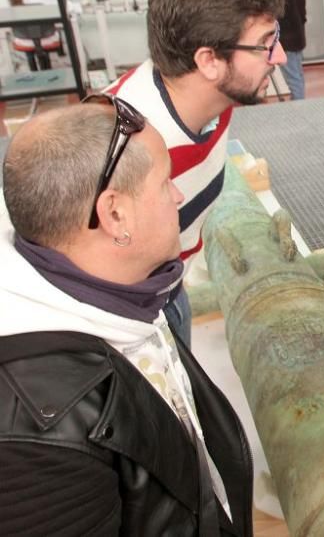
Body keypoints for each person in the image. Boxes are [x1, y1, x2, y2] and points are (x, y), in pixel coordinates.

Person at [0, 101, 253, 535]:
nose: (177, 196)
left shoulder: (121, 291)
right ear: (114, 214)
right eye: (165, 182)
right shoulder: (37, 438)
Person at [104, 0, 285, 347]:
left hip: (169, 289)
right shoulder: (124, 153)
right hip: (128, 324)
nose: (280, 58)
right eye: (265, 46)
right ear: (209, 61)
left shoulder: (212, 103)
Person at [269, 0, 308, 101]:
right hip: (298, 37)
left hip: (283, 39)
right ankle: (299, 105)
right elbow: (303, 13)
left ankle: (299, 112)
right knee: (297, 75)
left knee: (293, 78)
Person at [8, 0, 62, 71]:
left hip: (23, 40)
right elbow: (64, 8)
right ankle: (47, 72)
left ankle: (34, 72)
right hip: (46, 38)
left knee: (29, 43)